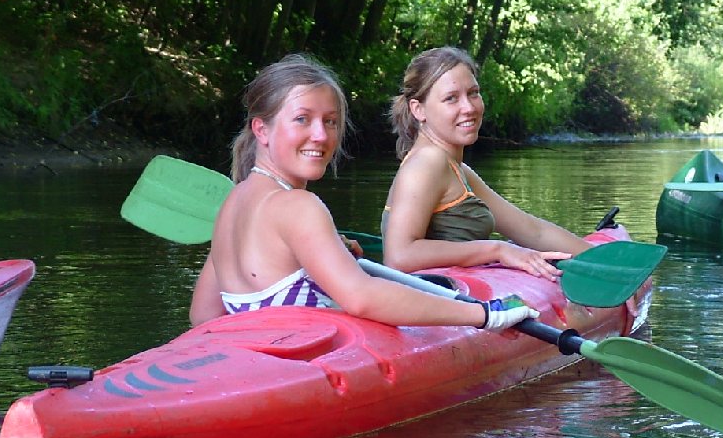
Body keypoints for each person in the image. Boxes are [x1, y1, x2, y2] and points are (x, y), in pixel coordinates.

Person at [188, 53, 538, 331]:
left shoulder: (232, 203)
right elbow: (361, 298)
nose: (322, 136)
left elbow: (204, 315)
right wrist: (480, 315)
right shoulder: (298, 206)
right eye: (302, 119)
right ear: (261, 130)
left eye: (330, 121)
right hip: (305, 375)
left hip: (262, 363)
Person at [381, 46, 593, 282]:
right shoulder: (428, 162)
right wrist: (498, 250)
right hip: (428, 305)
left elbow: (533, 230)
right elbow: (399, 256)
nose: (469, 107)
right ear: (418, 109)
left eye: (473, 93)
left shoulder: (457, 169)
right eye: (451, 98)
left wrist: (605, 265)